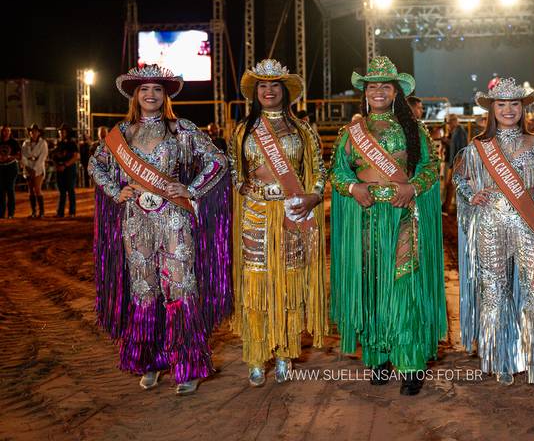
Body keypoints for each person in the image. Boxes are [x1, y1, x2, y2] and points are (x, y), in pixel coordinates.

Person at [88, 64, 232, 395]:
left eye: (157, 89)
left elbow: (218, 161)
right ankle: (150, 362)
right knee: (144, 289)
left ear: (165, 95)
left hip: (173, 219)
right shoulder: (122, 133)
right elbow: (95, 164)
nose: (150, 94)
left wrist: (191, 189)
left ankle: (187, 366)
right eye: (144, 89)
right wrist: (116, 191)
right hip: (136, 220)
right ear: (135, 96)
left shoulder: (181, 129)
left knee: (180, 287)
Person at [330, 56, 446, 396]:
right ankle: (378, 358)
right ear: (364, 92)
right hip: (366, 218)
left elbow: (429, 167)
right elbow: (338, 172)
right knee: (372, 284)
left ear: (396, 92)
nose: (378, 91)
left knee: (403, 284)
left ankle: (410, 363)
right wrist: (354, 188)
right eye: (372, 86)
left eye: (385, 86)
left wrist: (413, 188)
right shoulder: (350, 134)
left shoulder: (414, 130)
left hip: (404, 216)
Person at [454, 77, 534, 386]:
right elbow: (459, 178)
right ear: (491, 110)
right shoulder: (478, 147)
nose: (508, 110)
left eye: (514, 104)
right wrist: (471, 195)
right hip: (490, 225)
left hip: (530, 225)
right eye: (501, 104)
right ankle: (501, 360)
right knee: (494, 291)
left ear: (522, 108)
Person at [228, 59, 327, 386]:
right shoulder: (243, 130)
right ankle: (257, 356)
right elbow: (234, 170)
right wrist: (244, 187)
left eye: (274, 85)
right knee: (256, 283)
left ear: (284, 90)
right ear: (255, 92)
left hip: (291, 213)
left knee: (289, 283)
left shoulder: (302, 130)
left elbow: (319, 171)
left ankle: (285, 352)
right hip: (255, 214)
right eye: (262, 86)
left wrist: (313, 197)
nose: (268, 91)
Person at [51, 124, 79, 217]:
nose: (61, 133)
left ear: (67, 133)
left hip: (69, 169)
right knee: (62, 191)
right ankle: (60, 212)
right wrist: (57, 165)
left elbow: (76, 156)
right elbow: (54, 156)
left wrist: (65, 165)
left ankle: (72, 212)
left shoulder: (71, 143)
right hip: (60, 169)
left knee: (70, 190)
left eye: (63, 132)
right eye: (60, 131)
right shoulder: (58, 143)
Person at [442, 113, 467, 213]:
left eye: (449, 123)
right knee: (451, 185)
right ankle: (447, 207)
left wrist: (457, 164)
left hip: (456, 162)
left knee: (451, 185)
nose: (448, 125)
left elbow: (461, 150)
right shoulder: (457, 131)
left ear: (454, 121)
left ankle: (447, 208)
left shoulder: (459, 131)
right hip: (454, 162)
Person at [21, 124, 48, 218]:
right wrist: (28, 167)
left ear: (39, 132)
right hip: (28, 167)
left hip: (38, 168)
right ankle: (33, 212)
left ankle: (41, 212)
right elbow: (23, 155)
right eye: (32, 131)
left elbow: (43, 157)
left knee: (37, 189)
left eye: (35, 131)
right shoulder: (25, 143)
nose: (33, 133)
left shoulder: (43, 143)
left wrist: (35, 169)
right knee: (31, 190)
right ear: (30, 133)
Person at [0, 125, 21, 219]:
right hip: (1, 167)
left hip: (11, 167)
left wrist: (10, 157)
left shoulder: (14, 142)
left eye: (7, 131)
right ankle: (1, 213)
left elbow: (19, 156)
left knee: (10, 189)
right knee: (1, 191)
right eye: (4, 131)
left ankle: (11, 213)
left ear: (10, 132)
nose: (5, 133)